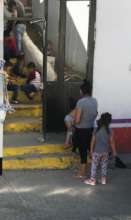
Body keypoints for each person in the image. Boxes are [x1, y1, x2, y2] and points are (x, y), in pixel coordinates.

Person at [84, 113, 117, 186]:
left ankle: (92, 180)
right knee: (104, 166)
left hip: (96, 152)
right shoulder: (110, 130)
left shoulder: (96, 129)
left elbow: (92, 141)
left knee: (94, 166)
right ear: (109, 121)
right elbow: (112, 142)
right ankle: (103, 180)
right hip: (105, 152)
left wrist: (91, 151)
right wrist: (114, 152)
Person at [74, 79, 98, 178]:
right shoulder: (94, 101)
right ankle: (93, 171)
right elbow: (95, 114)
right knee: (90, 150)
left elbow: (78, 120)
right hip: (91, 129)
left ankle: (82, 173)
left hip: (81, 130)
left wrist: (73, 122)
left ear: (82, 91)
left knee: (83, 152)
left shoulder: (81, 102)